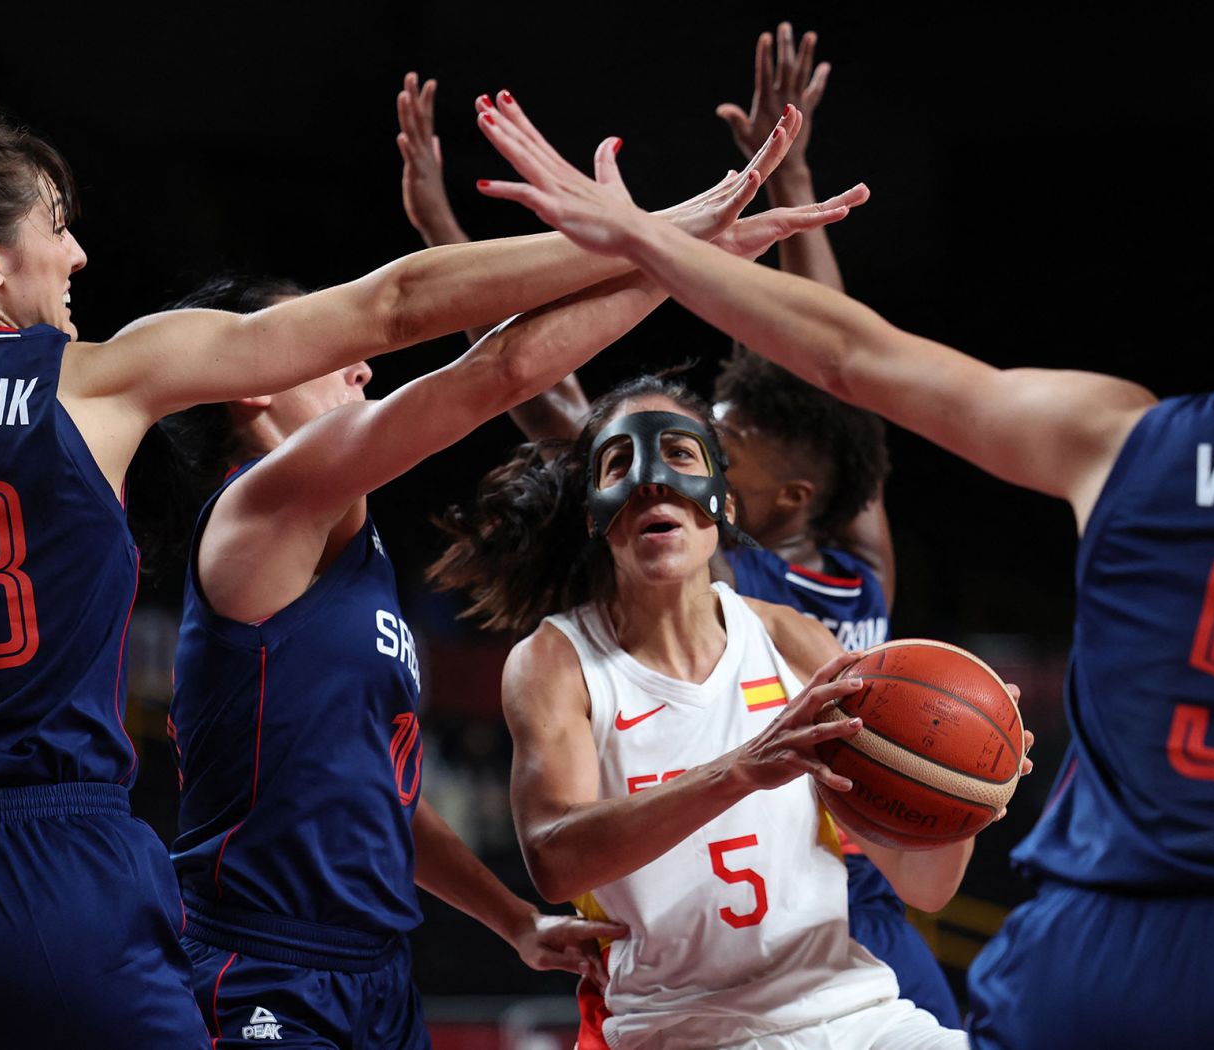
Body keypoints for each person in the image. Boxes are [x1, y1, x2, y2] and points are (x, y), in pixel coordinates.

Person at [0, 77, 794, 1048]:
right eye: (57, 226)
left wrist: (506, 919)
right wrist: (660, 239)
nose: (78, 251)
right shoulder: (107, 388)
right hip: (64, 865)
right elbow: (401, 308)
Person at [471, 95, 1214, 1047]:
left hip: (1090, 937)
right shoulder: (568, 654)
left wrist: (639, 237)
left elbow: (847, 359)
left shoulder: (1123, 441)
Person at [146, 125, 861, 1046]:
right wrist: (675, 251)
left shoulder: (346, 556)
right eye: (325, 345)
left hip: (374, 969)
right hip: (262, 963)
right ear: (255, 384)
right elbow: (502, 372)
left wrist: (510, 919)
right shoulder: (264, 506)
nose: (360, 361)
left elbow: (378, 793)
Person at [396, 41, 961, 1022]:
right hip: (701, 953)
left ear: (778, 495)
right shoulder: (743, 557)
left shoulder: (798, 589)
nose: (680, 462)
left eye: (720, 445)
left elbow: (839, 369)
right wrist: (792, 189)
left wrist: (965, 786)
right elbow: (820, 360)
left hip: (841, 900)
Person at [431, 375, 1032, 1049]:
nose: (653, 480)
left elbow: (923, 886)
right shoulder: (556, 661)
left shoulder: (792, 638)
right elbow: (554, 861)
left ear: (723, 501)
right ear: (596, 512)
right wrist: (742, 770)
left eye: (680, 455)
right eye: (621, 463)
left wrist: (965, 790)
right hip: (678, 1027)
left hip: (854, 1010)